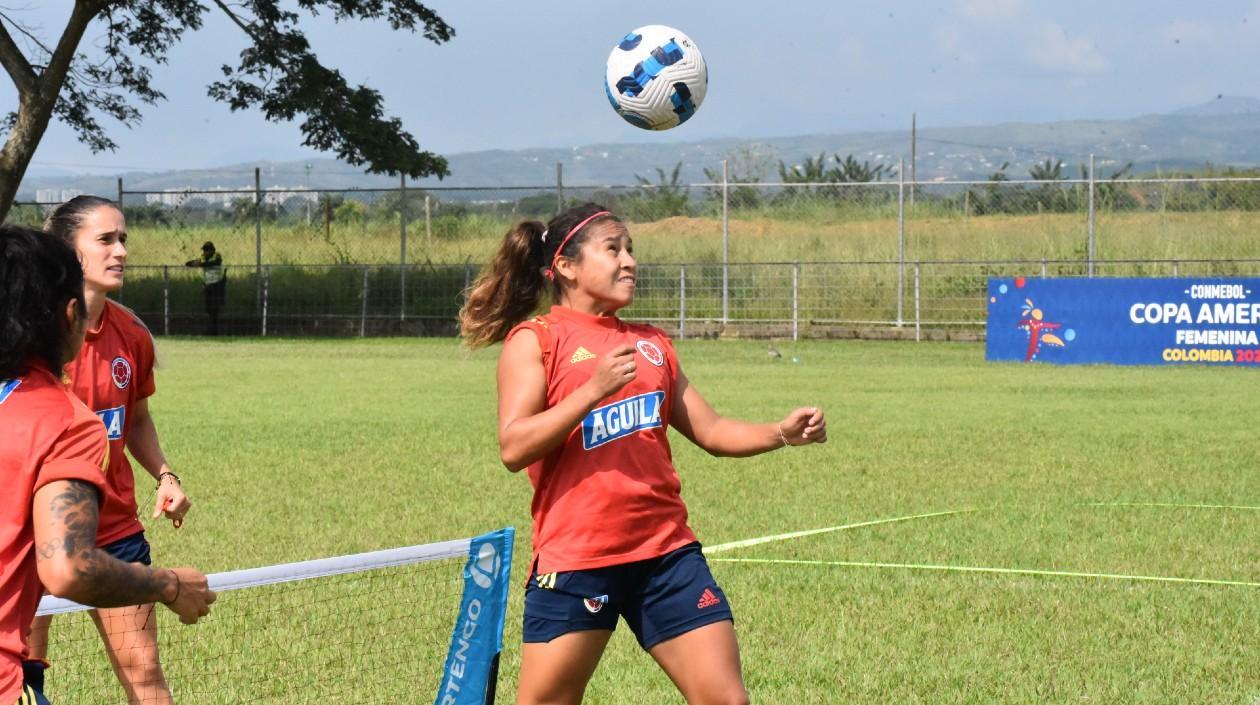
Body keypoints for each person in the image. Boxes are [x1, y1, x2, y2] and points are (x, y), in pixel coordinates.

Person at [459, 203, 827, 705]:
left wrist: (780, 432)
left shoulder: (651, 343)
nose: (629, 260)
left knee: (727, 700)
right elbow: (514, 446)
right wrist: (592, 391)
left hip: (667, 556)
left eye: (630, 249)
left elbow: (712, 430)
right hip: (579, 560)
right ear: (566, 266)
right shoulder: (537, 340)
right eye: (613, 249)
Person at [0, 224, 215, 705]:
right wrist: (169, 584)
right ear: (70, 313)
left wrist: (165, 473)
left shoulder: (129, 336)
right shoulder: (63, 422)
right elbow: (67, 568)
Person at [184, 241, 225, 336]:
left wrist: (200, 264)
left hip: (217, 286)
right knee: (209, 309)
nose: (205, 252)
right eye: (204, 250)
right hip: (208, 286)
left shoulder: (217, 256)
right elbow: (189, 263)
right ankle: (211, 330)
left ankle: (212, 331)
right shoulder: (203, 258)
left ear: (211, 250)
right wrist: (193, 263)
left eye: (206, 250)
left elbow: (214, 262)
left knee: (214, 309)